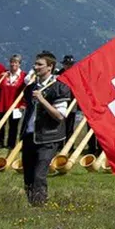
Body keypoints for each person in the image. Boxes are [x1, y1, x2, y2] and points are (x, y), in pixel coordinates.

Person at [20, 51, 72, 206]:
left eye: (39, 65)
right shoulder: (30, 89)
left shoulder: (60, 88)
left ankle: (39, 205)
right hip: (30, 135)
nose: (36, 67)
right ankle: (31, 203)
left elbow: (60, 116)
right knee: (28, 175)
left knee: (39, 174)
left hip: (49, 137)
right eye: (35, 64)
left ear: (50, 67)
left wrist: (42, 100)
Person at [0, 54, 27, 149]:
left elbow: (26, 91)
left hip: (16, 105)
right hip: (2, 103)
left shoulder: (24, 76)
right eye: (12, 62)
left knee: (13, 125)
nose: (13, 64)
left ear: (19, 64)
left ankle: (11, 143)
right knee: (0, 124)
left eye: (16, 62)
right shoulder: (4, 74)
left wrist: (23, 104)